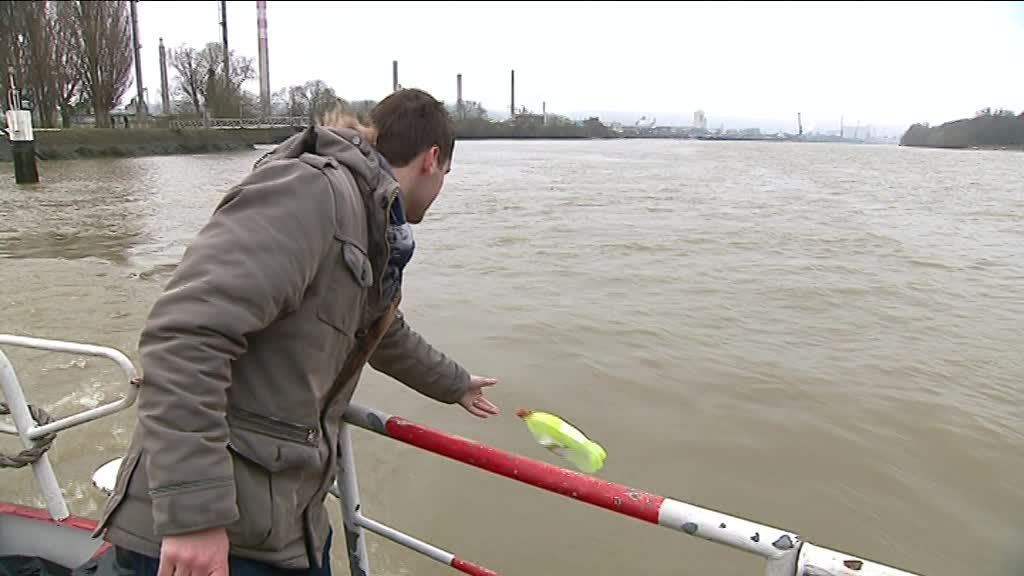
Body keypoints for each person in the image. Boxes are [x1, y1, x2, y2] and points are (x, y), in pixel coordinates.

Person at [92, 88, 501, 576]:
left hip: (281, 521)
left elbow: (382, 330)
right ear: (433, 159)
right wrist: (193, 518)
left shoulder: (371, 219)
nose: (441, 190)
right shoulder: (313, 193)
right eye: (447, 176)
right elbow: (183, 333)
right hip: (215, 533)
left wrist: (455, 383)